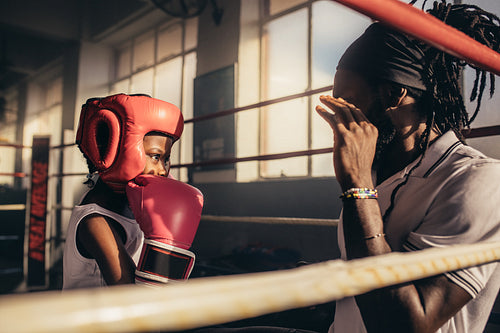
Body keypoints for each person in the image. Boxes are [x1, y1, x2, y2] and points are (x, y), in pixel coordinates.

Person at [315, 1, 500, 332]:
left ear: (394, 94)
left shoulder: (479, 181)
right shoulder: (377, 171)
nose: (337, 114)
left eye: (346, 99)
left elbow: (407, 324)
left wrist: (357, 187)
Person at [63, 93, 203, 289]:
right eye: (155, 156)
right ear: (116, 152)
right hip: (94, 319)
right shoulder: (95, 222)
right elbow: (135, 298)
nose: (162, 169)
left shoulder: (137, 202)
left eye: (166, 159)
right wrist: (168, 243)